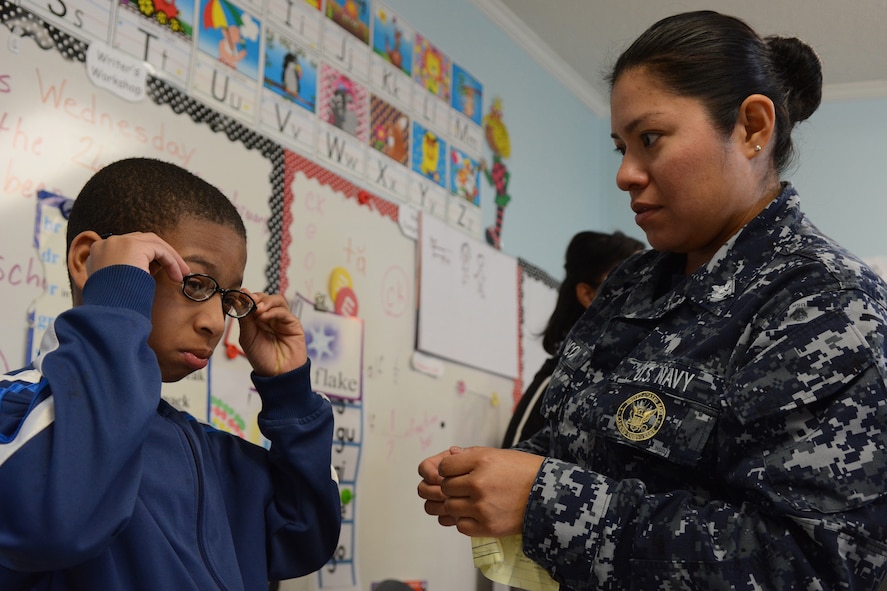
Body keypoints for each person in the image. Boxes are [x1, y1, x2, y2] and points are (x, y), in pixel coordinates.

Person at [417, 11, 887, 590]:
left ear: (751, 128)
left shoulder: (828, 305)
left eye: (650, 139)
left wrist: (546, 501)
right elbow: (588, 439)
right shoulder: (631, 284)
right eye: (620, 147)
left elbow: (814, 566)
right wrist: (492, 474)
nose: (624, 174)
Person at [0, 158, 341, 590]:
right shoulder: (15, 412)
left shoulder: (206, 450)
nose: (216, 323)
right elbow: (57, 525)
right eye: (196, 284)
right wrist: (115, 300)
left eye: (227, 298)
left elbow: (302, 536)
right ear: (89, 261)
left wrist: (290, 393)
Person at [502, 230, 643, 448]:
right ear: (588, 295)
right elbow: (506, 462)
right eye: (630, 284)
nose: (646, 297)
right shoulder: (558, 380)